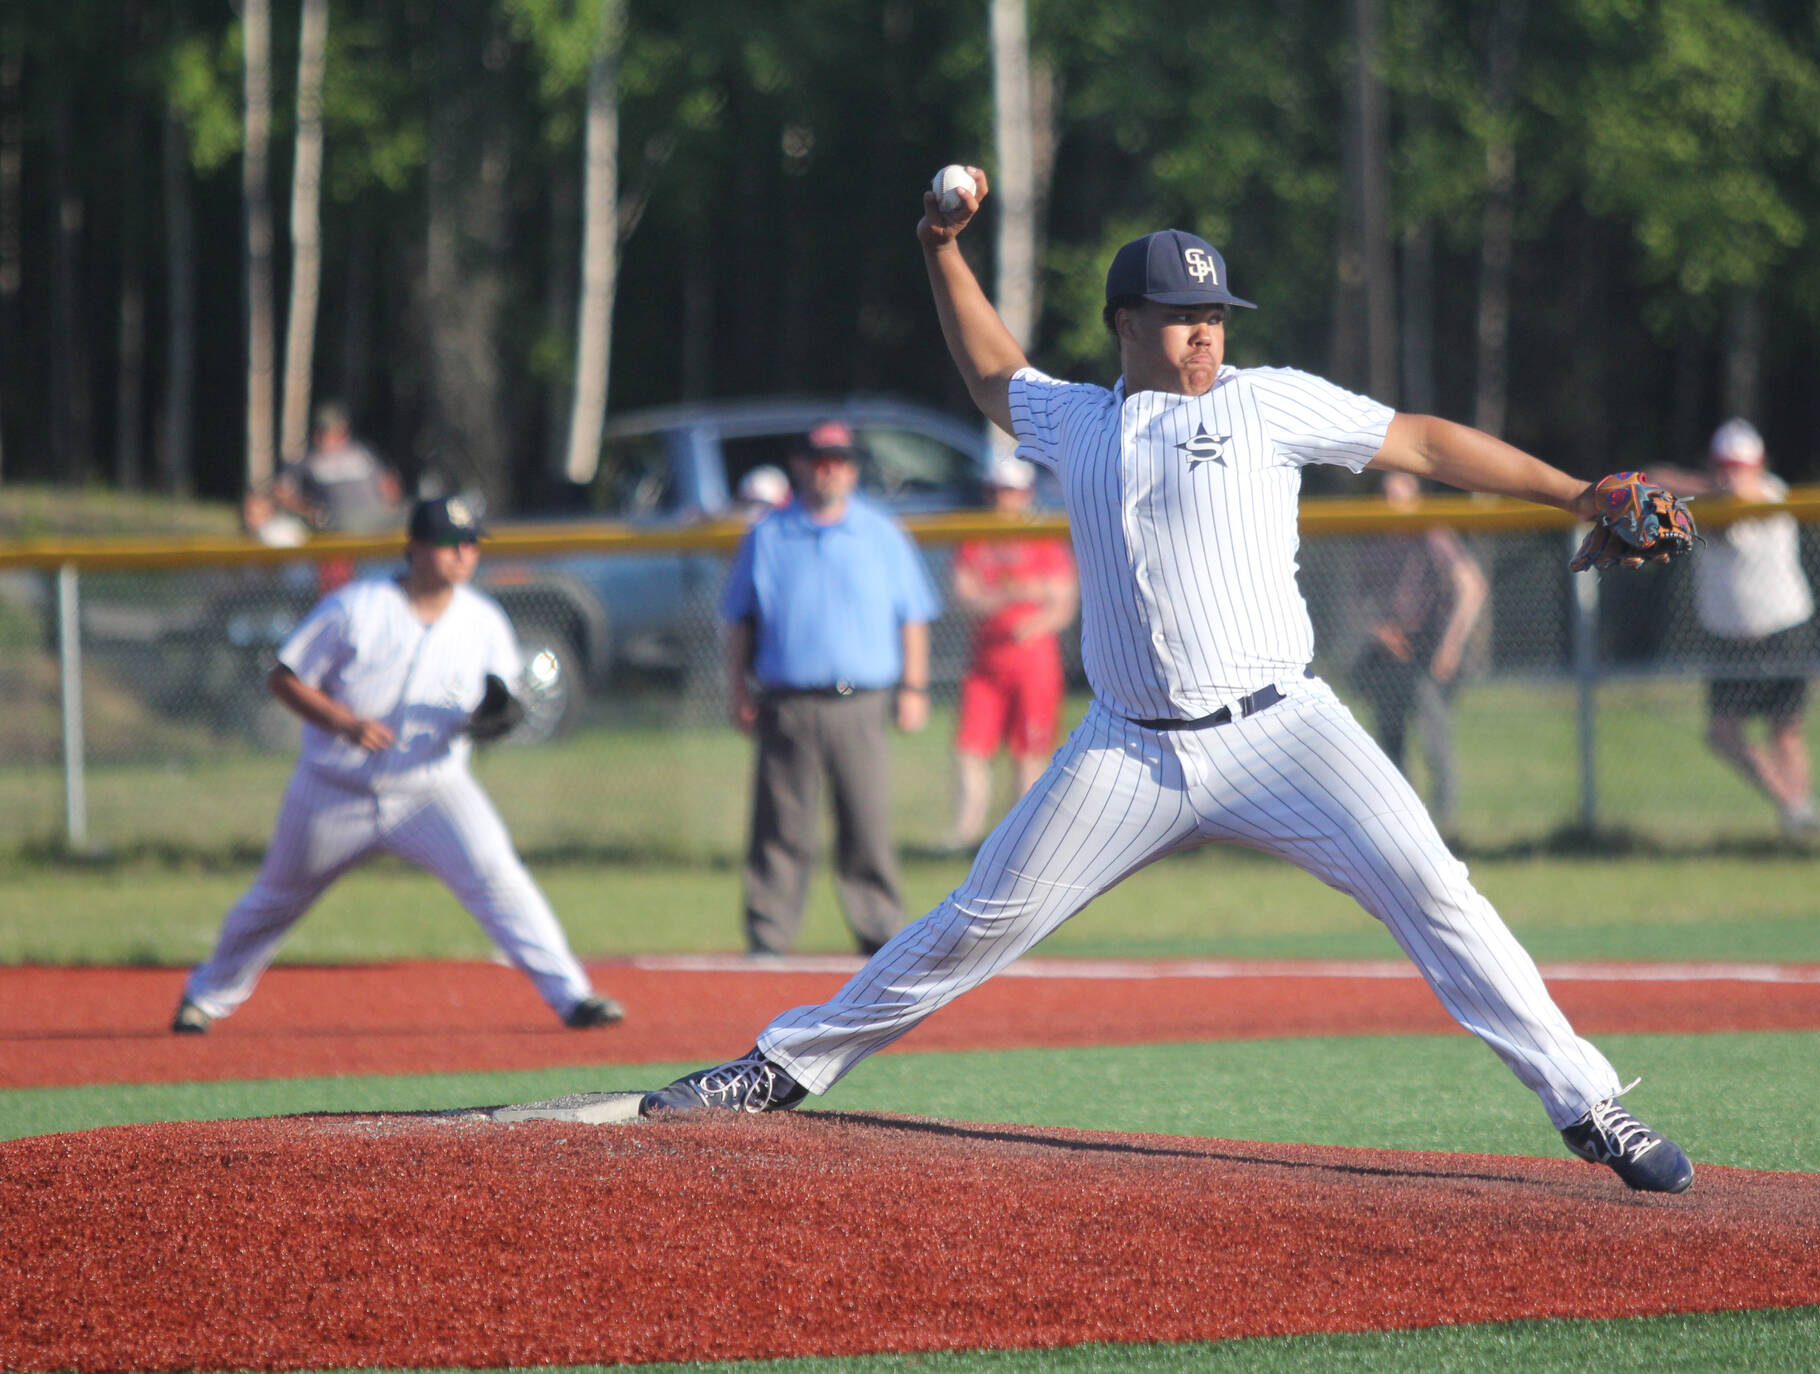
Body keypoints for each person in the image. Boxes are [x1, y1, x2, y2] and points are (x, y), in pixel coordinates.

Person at [641, 170, 1694, 1196]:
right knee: (974, 921)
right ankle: (781, 1067)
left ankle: (1589, 1104)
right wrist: (940, 249)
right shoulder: (1074, 421)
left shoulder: (1266, 404)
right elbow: (987, 373)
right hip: (1127, 749)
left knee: (1436, 893)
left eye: (1215, 314)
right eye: (1181, 314)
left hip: (1284, 732)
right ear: (1125, 324)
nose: (1204, 332)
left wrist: (1572, 491)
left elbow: (1419, 438)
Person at [171, 496, 625, 1034]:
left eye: (471, 543)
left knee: (500, 880)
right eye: (449, 542)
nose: (463, 554)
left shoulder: (483, 621)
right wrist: (343, 721)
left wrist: (496, 718)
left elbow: (500, 705)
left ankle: (573, 997)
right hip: (334, 789)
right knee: (273, 902)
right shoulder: (355, 607)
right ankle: (205, 996)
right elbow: (284, 678)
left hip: (433, 788)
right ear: (414, 548)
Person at [721, 421, 943, 957]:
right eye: (820, 458)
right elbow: (738, 622)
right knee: (780, 828)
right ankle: (768, 937)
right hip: (788, 698)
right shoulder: (769, 534)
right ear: (799, 465)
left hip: (862, 700)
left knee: (866, 823)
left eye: (840, 459)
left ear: (853, 467)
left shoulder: (880, 532)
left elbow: (912, 616)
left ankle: (880, 933)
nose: (830, 468)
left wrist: (914, 687)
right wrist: (738, 692)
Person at [1652, 419, 1820, 838]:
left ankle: (1799, 825)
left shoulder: (1768, 493)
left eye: (1740, 465)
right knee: (1722, 733)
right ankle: (1798, 808)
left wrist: (1708, 489)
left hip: (1783, 628)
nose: (1732, 473)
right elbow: (1654, 477)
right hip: (1729, 637)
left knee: (1786, 732)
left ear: (1758, 465)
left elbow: (1743, 494)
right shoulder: (1705, 499)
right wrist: (1702, 487)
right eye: (1723, 464)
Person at [940, 453, 1080, 851]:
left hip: (1032, 663)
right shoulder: (976, 536)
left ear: (1027, 494)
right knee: (970, 748)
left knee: (1028, 753)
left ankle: (1020, 838)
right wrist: (1019, 593)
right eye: (998, 491)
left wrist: (1030, 618)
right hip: (985, 663)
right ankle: (967, 833)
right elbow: (964, 593)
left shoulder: (1044, 539)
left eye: (1014, 492)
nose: (1005, 500)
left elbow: (1062, 602)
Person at [1348, 469, 1487, 828]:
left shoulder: (1431, 532)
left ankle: (1444, 826)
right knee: (1389, 741)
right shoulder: (1372, 539)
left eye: (1400, 496)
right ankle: (1402, 824)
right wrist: (1378, 631)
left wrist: (1450, 645)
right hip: (1388, 653)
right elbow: (1354, 603)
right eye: (1386, 495)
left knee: (1433, 736)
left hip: (1427, 649)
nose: (1392, 503)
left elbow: (1471, 586)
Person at [271, 402, 405, 535]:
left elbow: (387, 480)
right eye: (323, 431)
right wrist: (308, 510)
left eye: (335, 431)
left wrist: (391, 502)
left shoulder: (363, 452)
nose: (328, 437)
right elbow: (282, 491)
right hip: (338, 525)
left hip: (376, 519)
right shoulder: (306, 461)